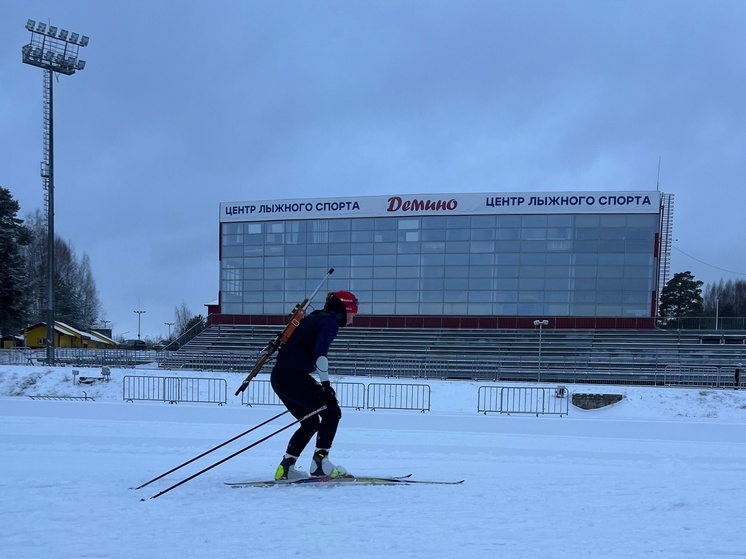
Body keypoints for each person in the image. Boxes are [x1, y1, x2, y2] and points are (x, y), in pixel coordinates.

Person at [270, 290, 359, 480]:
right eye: (354, 311)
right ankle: (320, 463)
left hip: (279, 378)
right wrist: (326, 385)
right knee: (332, 411)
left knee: (310, 422)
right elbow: (320, 354)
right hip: (293, 377)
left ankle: (285, 468)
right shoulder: (329, 322)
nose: (354, 316)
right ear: (345, 309)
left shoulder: (314, 318)